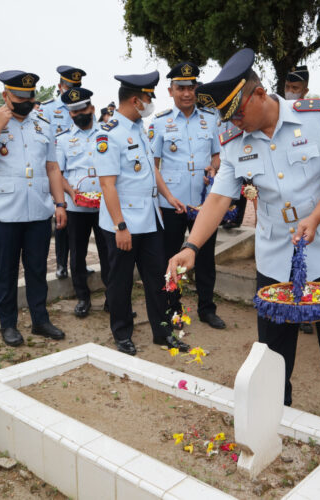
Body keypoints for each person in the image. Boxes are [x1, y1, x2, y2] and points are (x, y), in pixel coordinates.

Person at [169, 48, 320, 425]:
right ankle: (277, 420)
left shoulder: (319, 117)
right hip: (275, 259)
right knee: (273, 352)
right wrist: (191, 246)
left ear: (259, 94)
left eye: (238, 113)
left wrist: (316, 217)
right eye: (229, 118)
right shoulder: (235, 139)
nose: (235, 123)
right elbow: (219, 197)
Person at [0, 70, 67, 347]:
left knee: (37, 269)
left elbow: (52, 167)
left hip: (38, 209)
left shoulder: (43, 125)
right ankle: (8, 324)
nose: (26, 101)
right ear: (5, 96)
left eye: (30, 97)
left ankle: (40, 320)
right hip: (6, 213)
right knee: (7, 271)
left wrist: (60, 203)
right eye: (19, 97)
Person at [95, 70, 189, 356]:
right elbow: (107, 185)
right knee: (120, 282)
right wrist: (120, 226)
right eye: (149, 97)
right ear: (136, 100)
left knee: (158, 280)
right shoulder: (109, 134)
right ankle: (122, 334)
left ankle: (163, 333)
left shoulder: (139, 129)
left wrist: (169, 197)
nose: (151, 103)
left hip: (150, 220)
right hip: (123, 224)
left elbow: (152, 170)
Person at [150, 61, 226, 330]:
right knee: (171, 257)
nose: (186, 93)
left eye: (191, 87)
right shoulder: (159, 123)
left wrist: (213, 168)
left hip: (204, 203)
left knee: (205, 257)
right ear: (170, 91)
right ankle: (173, 308)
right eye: (180, 88)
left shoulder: (210, 118)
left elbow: (218, 155)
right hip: (172, 203)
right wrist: (167, 197)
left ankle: (207, 308)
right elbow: (153, 166)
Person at [55, 86, 110, 318]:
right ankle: (83, 298)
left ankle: (113, 298)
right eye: (75, 112)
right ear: (70, 114)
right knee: (77, 254)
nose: (80, 114)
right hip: (77, 207)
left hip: (106, 206)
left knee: (109, 253)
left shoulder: (108, 133)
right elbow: (57, 172)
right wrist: (70, 195)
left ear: (92, 108)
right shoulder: (64, 140)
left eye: (83, 109)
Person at [41, 66, 87, 280]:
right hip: (57, 168)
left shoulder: (83, 107)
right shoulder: (48, 109)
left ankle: (80, 265)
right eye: (68, 87)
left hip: (78, 171)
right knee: (62, 217)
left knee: (80, 227)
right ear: (60, 86)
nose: (71, 91)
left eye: (76, 87)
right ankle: (61, 264)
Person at [284, 65, 315, 335]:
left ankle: (305, 311)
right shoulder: (277, 119)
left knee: (306, 262)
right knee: (286, 262)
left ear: (305, 90)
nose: (291, 93)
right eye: (288, 88)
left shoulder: (314, 119)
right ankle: (289, 308)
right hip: (284, 211)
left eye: (295, 89)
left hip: (308, 211)